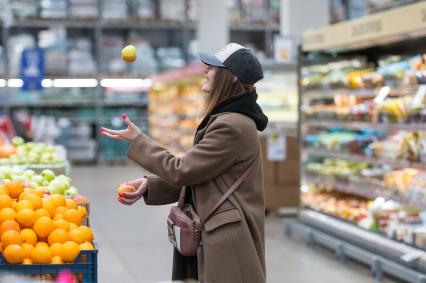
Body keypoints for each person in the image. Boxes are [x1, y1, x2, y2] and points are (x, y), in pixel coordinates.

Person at [100, 42, 268, 283]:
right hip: (219, 234)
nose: (205, 70)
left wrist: (140, 140)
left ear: (230, 78)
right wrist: (152, 185)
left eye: (212, 67)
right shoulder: (228, 119)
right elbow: (205, 176)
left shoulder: (231, 125)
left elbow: (182, 171)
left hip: (229, 243)